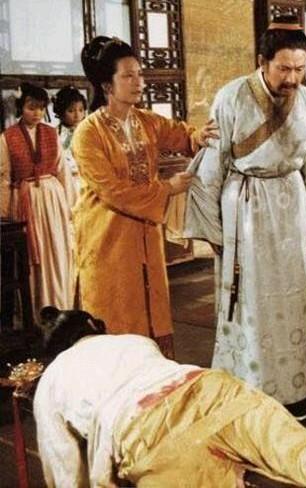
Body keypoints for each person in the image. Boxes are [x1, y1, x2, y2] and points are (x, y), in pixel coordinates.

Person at [33, 307, 306, 488]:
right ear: (94, 329)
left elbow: (65, 473)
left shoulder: (52, 381)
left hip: (152, 432)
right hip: (213, 389)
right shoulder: (129, 340)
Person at [184, 17, 306, 419]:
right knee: (249, 300)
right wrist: (213, 230)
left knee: (292, 297)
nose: (293, 78)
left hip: (290, 205)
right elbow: (212, 165)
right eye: (284, 68)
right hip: (246, 208)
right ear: (262, 61)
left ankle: (294, 388)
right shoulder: (231, 97)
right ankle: (247, 388)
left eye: (300, 69)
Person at [71, 36, 217, 359]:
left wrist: (199, 136)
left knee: (152, 312)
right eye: (128, 76)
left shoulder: (146, 121)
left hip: (146, 236)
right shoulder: (88, 133)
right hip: (107, 239)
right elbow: (113, 192)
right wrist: (168, 188)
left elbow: (181, 134)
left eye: (139, 74)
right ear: (106, 85)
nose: (139, 82)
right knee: (116, 315)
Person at [0, 82, 77, 320]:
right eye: (31, 107)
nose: (36, 113)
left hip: (53, 199)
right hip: (25, 200)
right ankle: (36, 316)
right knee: (34, 260)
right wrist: (4, 214)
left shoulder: (51, 133)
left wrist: (71, 207)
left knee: (57, 252)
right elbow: (4, 176)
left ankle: (61, 310)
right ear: (21, 108)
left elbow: (62, 171)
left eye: (41, 108)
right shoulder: (7, 137)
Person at [53, 86, 88, 191]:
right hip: (64, 180)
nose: (77, 115)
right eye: (71, 111)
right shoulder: (54, 134)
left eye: (81, 110)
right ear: (61, 112)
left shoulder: (89, 132)